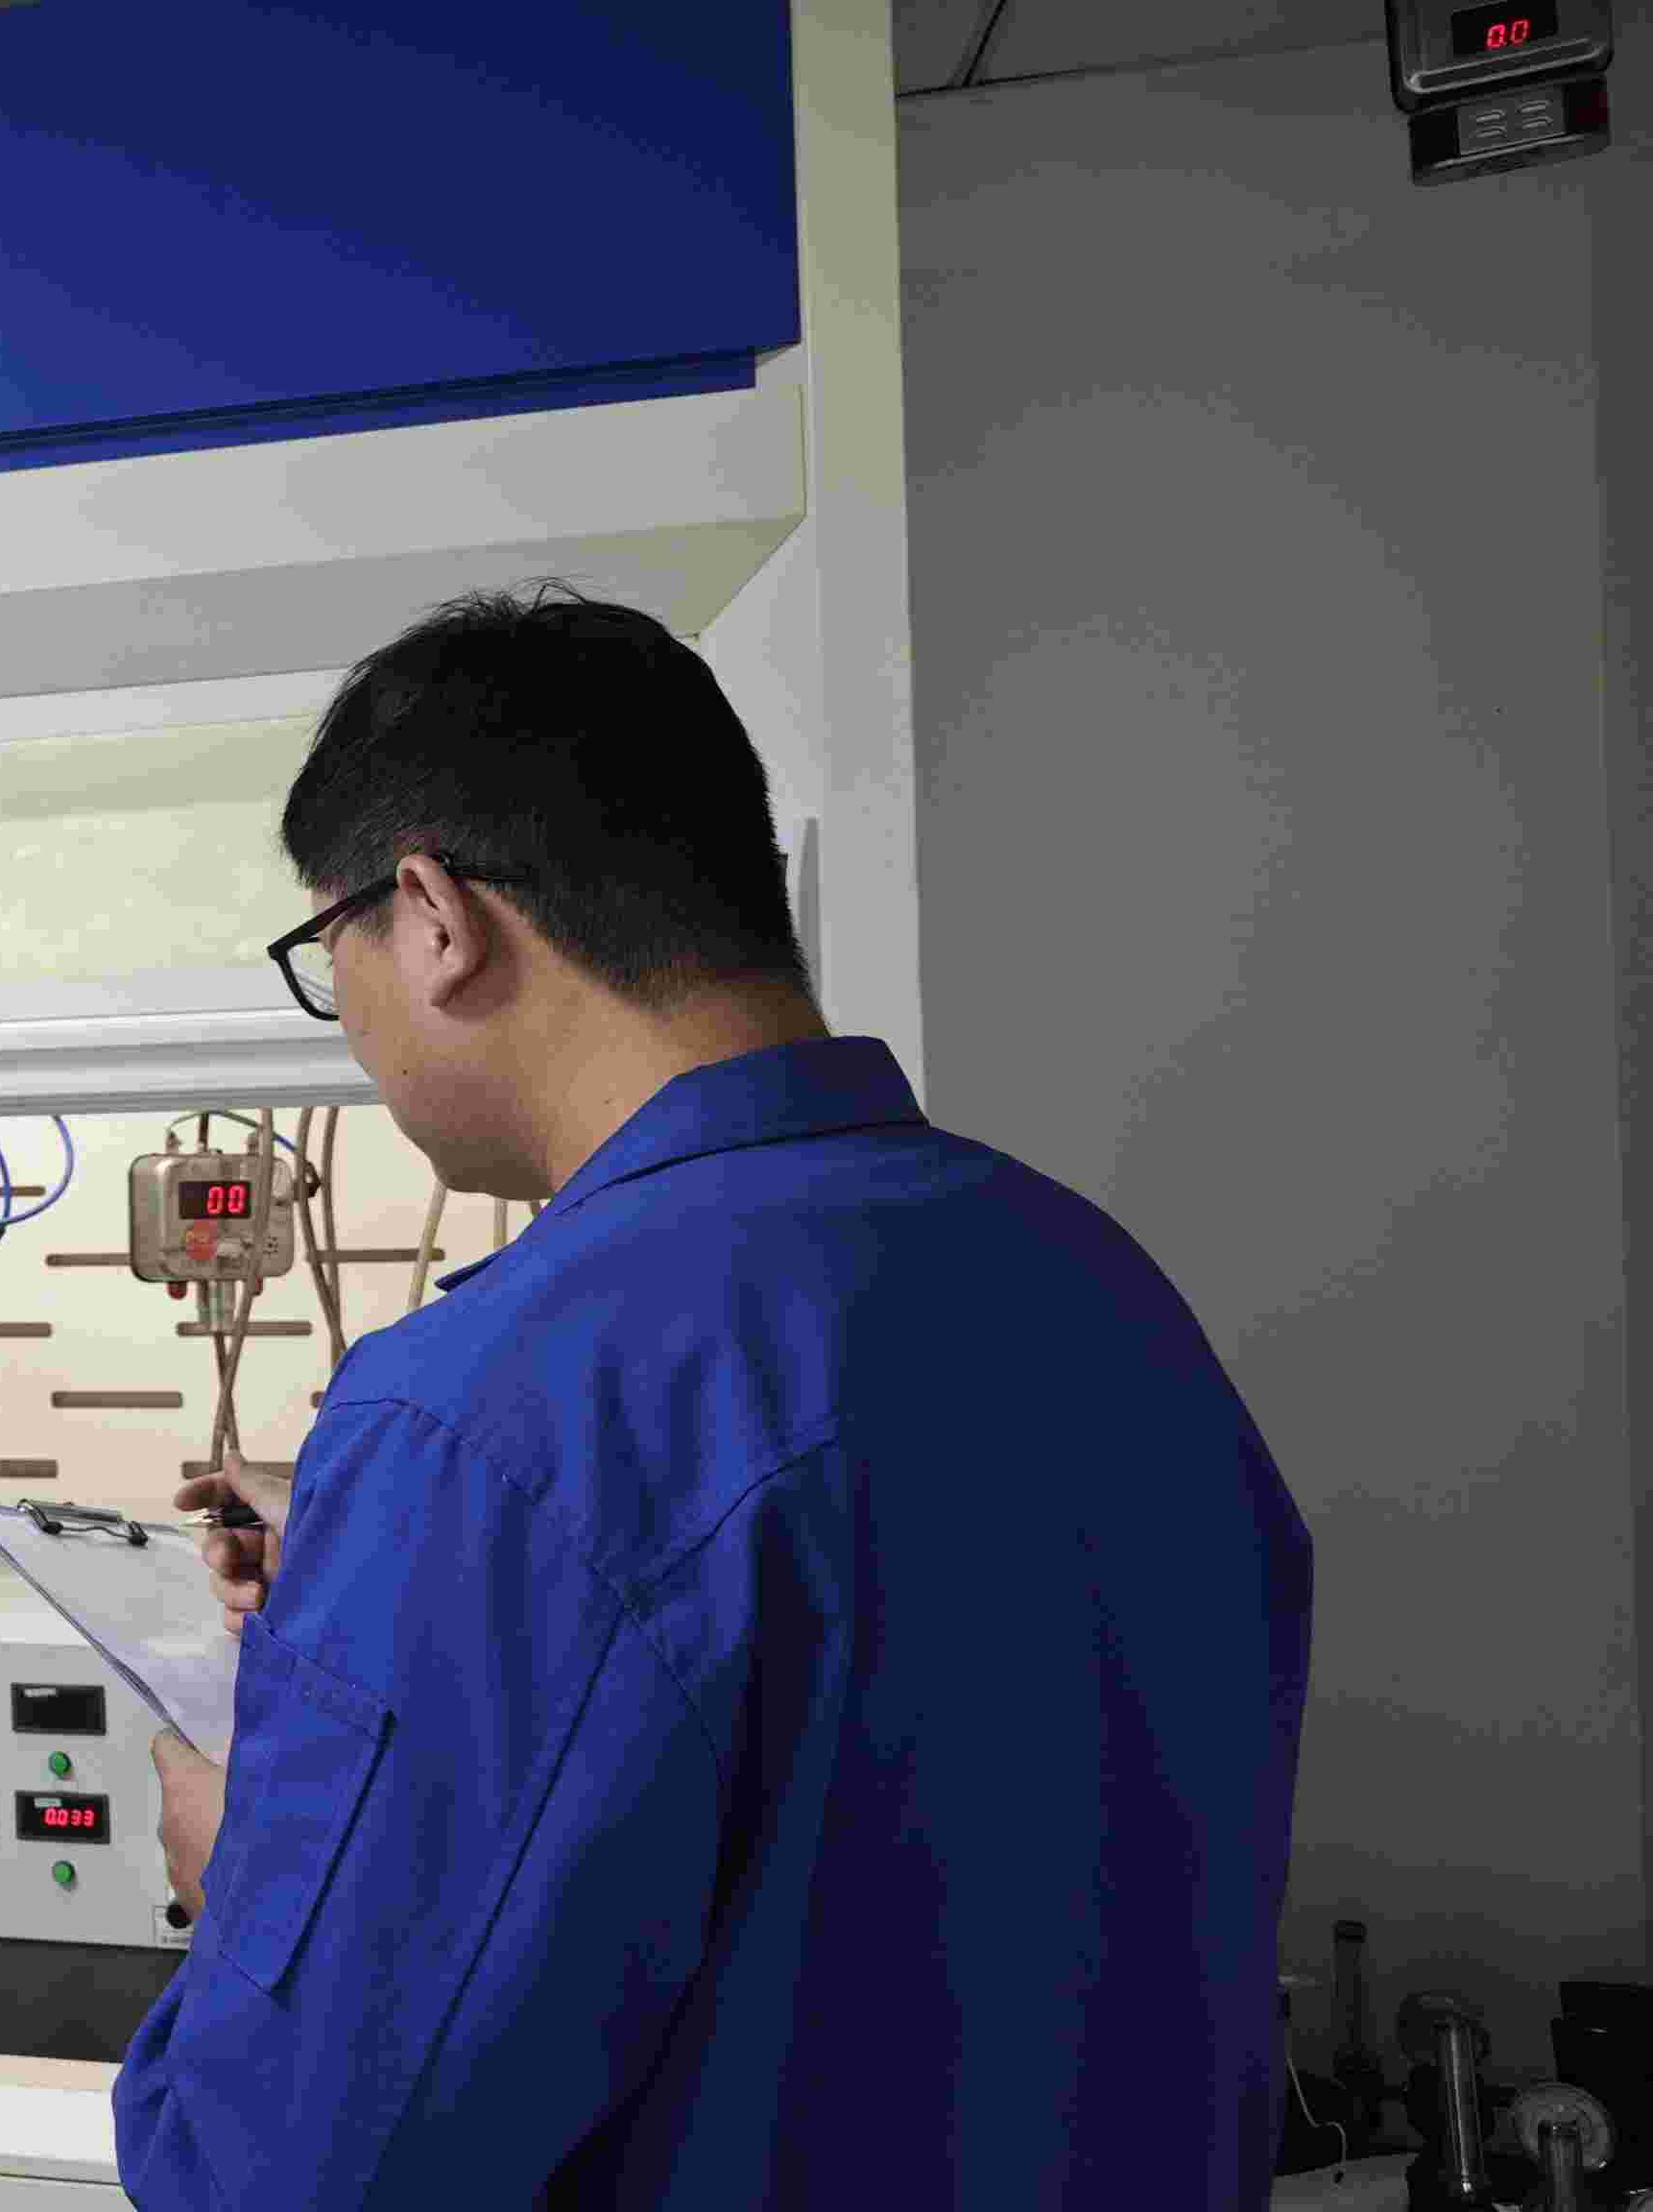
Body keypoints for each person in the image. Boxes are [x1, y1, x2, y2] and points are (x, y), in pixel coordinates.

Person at [118, 587, 1312, 2205]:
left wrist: (243, 1884)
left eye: (331, 961)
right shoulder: (1094, 1290)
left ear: (434, 916)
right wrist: (385, 1556)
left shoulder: (493, 1418)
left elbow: (301, 2175)